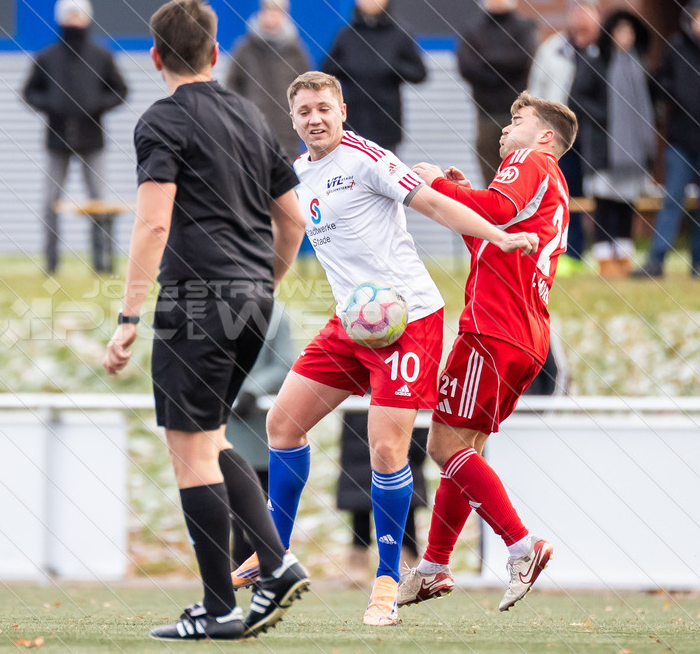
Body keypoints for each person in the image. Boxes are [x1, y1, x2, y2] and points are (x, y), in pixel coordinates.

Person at [230, 71, 538, 627]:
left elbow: (436, 207)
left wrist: (499, 236)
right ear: (293, 119)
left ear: (342, 110)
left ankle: (387, 584)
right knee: (282, 422)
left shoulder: (367, 157)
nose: (314, 119)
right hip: (354, 320)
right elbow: (282, 235)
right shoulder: (297, 175)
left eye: (323, 108)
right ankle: (275, 551)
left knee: (385, 450)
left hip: (406, 318)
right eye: (303, 112)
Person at [102, 0, 309, 641]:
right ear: (216, 54)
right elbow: (294, 219)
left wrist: (129, 315)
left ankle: (222, 606)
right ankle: (276, 564)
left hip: (196, 302)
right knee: (213, 441)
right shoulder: (249, 113)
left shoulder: (162, 121)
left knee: (189, 452)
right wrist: (262, 286)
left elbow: (154, 221)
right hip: (251, 299)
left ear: (155, 56)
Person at [401, 92, 577, 613]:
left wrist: (434, 183)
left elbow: (496, 210)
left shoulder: (529, 160)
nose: (505, 130)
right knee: (463, 450)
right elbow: (494, 234)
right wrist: (460, 191)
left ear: (545, 136)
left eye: (516, 120)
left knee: (442, 446)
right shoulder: (556, 186)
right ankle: (433, 567)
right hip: (526, 334)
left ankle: (522, 547)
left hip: (494, 328)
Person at [23, 0, 128, 275]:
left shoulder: (101, 55)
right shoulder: (47, 57)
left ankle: (103, 263)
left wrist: (96, 106)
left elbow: (120, 91)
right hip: (57, 138)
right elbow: (29, 92)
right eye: (69, 15)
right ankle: (51, 263)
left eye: (78, 15)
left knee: (98, 202)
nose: (74, 20)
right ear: (60, 19)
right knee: (50, 202)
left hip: (92, 138)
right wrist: (52, 106)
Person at [575, 10, 654, 279]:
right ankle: (605, 258)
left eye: (629, 32)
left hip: (632, 152)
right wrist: (605, 116)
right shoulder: (597, 61)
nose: (625, 37)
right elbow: (578, 96)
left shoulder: (639, 65)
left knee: (626, 203)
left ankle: (624, 256)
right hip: (604, 148)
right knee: (605, 203)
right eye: (620, 31)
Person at [528, 0, 601, 274]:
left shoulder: (604, 51)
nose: (581, 15)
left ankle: (606, 252)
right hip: (562, 137)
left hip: (597, 136)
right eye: (576, 8)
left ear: (597, 15)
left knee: (602, 194)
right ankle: (568, 252)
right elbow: (536, 91)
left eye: (587, 9)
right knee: (562, 193)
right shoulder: (552, 49)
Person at [634, 0, 700, 279]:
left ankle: (698, 262)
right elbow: (657, 83)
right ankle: (656, 260)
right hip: (680, 141)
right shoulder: (677, 48)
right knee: (672, 199)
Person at [322, 0, 426, 152]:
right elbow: (327, 69)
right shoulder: (346, 35)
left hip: (387, 125)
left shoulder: (399, 34)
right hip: (352, 122)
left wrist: (392, 67)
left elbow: (419, 73)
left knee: (384, 175)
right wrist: (350, 69)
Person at [225, 302, 294, 567]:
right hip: (225, 425)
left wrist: (251, 391)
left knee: (263, 502)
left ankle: (266, 566)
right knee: (229, 502)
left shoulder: (275, 315)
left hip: (259, 427)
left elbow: (285, 363)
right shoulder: (212, 309)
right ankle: (237, 567)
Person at [457, 0, 537, 188]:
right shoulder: (473, 29)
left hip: (518, 116)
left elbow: (521, 58)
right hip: (485, 116)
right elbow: (466, 66)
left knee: (520, 176)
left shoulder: (524, 27)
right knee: (491, 179)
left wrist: (487, 61)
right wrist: (501, 69)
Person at [336, 412, 427, 585]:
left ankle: (406, 559)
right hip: (360, 434)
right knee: (361, 503)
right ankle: (359, 559)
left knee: (402, 503)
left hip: (399, 428)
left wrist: (419, 444)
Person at [226, 0, 311, 158]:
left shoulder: (296, 52)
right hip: (251, 134)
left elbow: (308, 91)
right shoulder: (245, 49)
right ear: (261, 11)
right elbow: (231, 87)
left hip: (287, 137)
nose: (272, 15)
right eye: (268, 9)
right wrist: (241, 118)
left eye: (277, 11)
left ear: (285, 14)